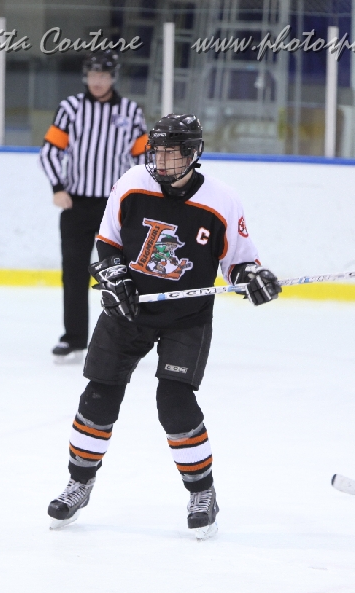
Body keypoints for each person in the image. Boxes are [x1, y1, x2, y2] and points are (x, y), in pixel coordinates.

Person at [46, 113, 281, 539]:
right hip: (129, 309)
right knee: (99, 394)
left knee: (174, 402)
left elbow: (239, 262)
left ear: (193, 154)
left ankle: (202, 493)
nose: (161, 160)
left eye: (172, 153)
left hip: (186, 316)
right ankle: (79, 484)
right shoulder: (133, 182)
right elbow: (107, 243)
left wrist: (253, 278)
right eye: (157, 152)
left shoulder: (221, 200)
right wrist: (114, 278)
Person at [39, 49, 149, 362]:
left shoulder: (130, 111)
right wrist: (58, 187)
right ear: (85, 77)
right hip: (76, 206)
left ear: (113, 77)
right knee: (74, 273)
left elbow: (143, 158)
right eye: (92, 75)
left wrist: (136, 197)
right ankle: (74, 338)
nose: (97, 81)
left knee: (121, 274)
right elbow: (49, 151)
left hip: (114, 209)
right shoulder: (70, 108)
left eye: (103, 75)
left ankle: (125, 337)